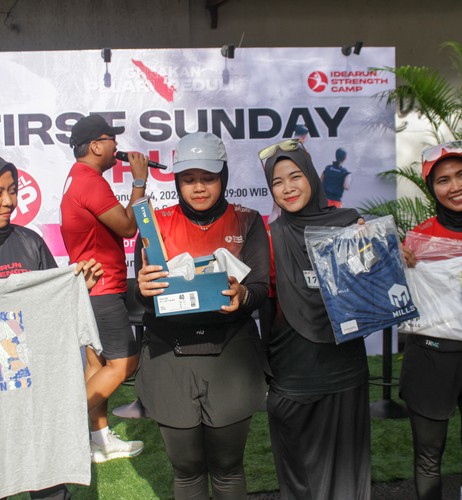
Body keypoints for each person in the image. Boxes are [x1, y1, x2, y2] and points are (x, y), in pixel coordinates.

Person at [135, 131, 269, 499]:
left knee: (227, 467)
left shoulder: (247, 220)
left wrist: (243, 295)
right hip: (169, 355)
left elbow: (260, 287)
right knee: (187, 469)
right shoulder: (154, 223)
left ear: (223, 177)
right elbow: (141, 296)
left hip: (231, 356)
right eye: (188, 179)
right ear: (177, 181)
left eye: (208, 178)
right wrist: (142, 289)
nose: (198, 188)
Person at [0, 150, 103, 500]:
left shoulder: (28, 243)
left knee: (48, 479)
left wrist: (77, 290)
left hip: (36, 391)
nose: (9, 201)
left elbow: (53, 308)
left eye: (13, 191)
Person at [258, 139, 371, 500]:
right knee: (300, 480)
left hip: (345, 369)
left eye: (295, 176)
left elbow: (371, 287)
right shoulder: (268, 236)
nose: (287, 188)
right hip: (293, 375)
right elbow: (259, 299)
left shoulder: (349, 222)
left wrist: (377, 249)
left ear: (311, 175)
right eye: (277, 182)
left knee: (347, 477)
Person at [60, 114, 148, 463]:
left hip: (91, 287)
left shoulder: (78, 177)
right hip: (101, 287)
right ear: (96, 146)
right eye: (112, 139)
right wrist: (139, 181)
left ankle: (100, 441)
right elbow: (127, 227)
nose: (117, 146)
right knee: (125, 362)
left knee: (96, 366)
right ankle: (56, 429)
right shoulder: (90, 181)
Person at [400, 140, 462, 500]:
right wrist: (391, 257)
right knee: (428, 455)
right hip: (430, 357)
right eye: (443, 180)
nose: (456, 186)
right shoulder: (418, 240)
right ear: (432, 188)